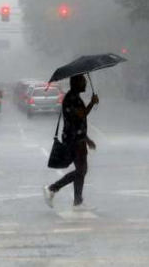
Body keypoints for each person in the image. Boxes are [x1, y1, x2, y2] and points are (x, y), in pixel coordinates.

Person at [43, 74, 99, 209]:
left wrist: (87, 139)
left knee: (81, 170)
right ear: (75, 83)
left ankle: (78, 201)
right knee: (81, 170)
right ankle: (52, 189)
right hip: (74, 141)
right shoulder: (71, 98)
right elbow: (81, 115)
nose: (85, 83)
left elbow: (78, 122)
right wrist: (92, 102)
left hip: (77, 139)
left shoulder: (74, 97)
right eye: (83, 81)